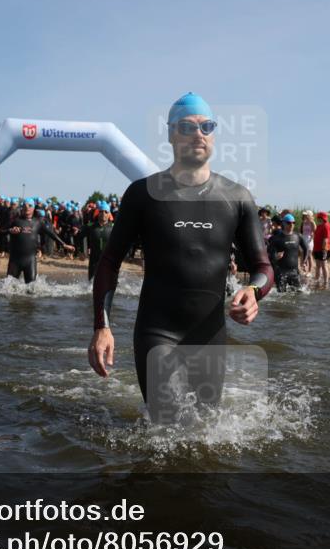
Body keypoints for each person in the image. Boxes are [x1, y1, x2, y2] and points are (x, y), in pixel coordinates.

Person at [87, 92, 273, 421]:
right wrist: (102, 326)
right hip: (157, 331)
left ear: (214, 135)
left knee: (206, 432)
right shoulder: (143, 194)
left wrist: (253, 291)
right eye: (186, 127)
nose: (197, 134)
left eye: (206, 126)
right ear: (172, 134)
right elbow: (109, 262)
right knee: (166, 425)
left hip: (209, 335)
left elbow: (262, 267)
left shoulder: (237, 197)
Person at [4, 198, 74, 283]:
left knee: (32, 289)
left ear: (33, 208)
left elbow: (51, 233)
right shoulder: (16, 221)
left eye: (30, 206)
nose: (27, 208)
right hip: (15, 260)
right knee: (8, 289)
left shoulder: (38, 222)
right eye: (25, 206)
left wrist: (64, 244)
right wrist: (10, 231)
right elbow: (1, 231)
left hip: (30, 260)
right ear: (22, 208)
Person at [268, 213, 309, 292]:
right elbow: (269, 253)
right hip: (281, 272)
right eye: (289, 223)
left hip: (294, 272)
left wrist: (304, 261)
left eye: (293, 223)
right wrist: (275, 256)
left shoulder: (298, 236)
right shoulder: (276, 238)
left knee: (299, 294)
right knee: (281, 296)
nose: (291, 225)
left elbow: (306, 248)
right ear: (283, 223)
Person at [75, 201, 113, 280]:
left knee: (110, 283)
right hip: (94, 259)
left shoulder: (113, 227)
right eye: (101, 211)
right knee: (91, 283)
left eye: (106, 212)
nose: (103, 214)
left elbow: (122, 241)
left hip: (109, 260)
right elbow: (79, 236)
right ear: (98, 213)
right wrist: (81, 251)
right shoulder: (91, 226)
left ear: (109, 214)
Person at [311, 211, 330, 289]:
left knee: (324, 265)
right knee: (318, 266)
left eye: (319, 218)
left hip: (323, 249)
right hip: (317, 248)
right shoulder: (320, 226)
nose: (318, 219)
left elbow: (326, 238)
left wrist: (324, 249)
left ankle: (326, 282)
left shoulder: (326, 226)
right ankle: (317, 280)